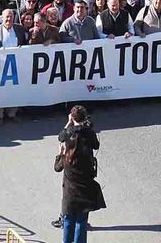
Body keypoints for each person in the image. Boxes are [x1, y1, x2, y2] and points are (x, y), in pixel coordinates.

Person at [56, 104, 104, 243]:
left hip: (70, 191)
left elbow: (61, 137)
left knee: (69, 219)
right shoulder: (88, 132)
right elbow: (96, 145)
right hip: (86, 185)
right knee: (81, 221)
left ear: (72, 117)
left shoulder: (67, 156)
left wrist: (60, 154)